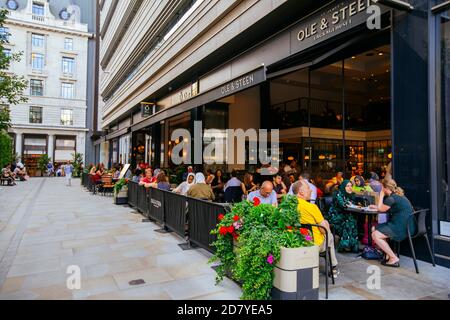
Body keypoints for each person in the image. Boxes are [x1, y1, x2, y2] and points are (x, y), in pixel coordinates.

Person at [293, 180, 339, 277]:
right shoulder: (311, 207)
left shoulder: (287, 206)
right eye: (308, 188)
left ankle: (333, 266)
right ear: (301, 192)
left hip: (295, 241)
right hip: (313, 243)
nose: (311, 191)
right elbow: (323, 230)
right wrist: (326, 223)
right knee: (329, 235)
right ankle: (333, 266)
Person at [370, 179, 416, 267]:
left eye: (382, 187)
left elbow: (380, 209)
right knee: (374, 228)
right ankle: (388, 254)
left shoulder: (391, 198)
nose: (381, 189)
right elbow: (384, 207)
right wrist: (375, 206)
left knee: (375, 235)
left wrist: (381, 195)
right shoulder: (399, 196)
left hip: (401, 227)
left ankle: (393, 258)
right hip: (408, 225)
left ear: (385, 188)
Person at [327, 180, 359, 252]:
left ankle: (351, 244)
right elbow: (343, 205)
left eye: (351, 186)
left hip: (345, 215)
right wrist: (351, 203)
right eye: (347, 186)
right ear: (343, 187)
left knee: (352, 220)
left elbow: (352, 205)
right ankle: (345, 245)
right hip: (335, 216)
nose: (350, 188)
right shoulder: (338, 194)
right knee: (348, 221)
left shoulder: (351, 195)